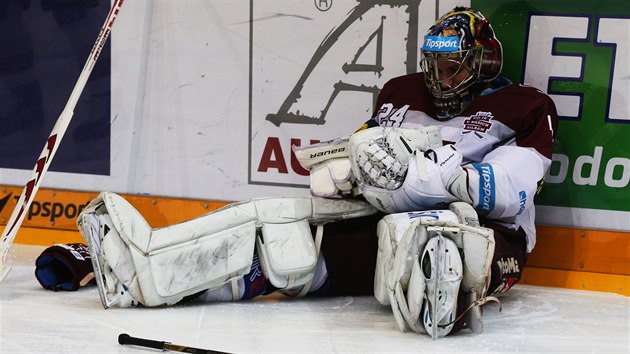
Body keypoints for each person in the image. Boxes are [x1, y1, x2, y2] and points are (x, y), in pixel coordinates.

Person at [44, 7, 557, 339]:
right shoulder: (401, 93)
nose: (440, 79)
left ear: (483, 63)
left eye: (454, 67)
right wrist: (348, 169)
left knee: (436, 241)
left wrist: (421, 173)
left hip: (484, 233)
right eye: (434, 66)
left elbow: (502, 195)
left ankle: (440, 303)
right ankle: (142, 274)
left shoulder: (526, 107)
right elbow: (365, 148)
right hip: (379, 221)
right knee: (281, 240)